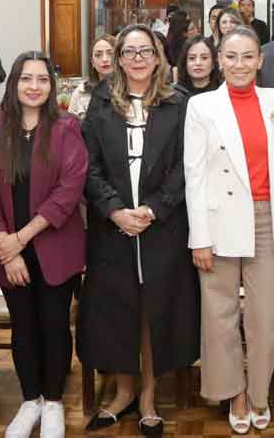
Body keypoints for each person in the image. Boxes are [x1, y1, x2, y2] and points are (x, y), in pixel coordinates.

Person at [80, 25, 197, 437]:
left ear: (158, 56)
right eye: (128, 52)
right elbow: (88, 167)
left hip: (160, 225)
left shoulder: (179, 103)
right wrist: (115, 211)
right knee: (117, 310)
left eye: (145, 51)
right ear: (117, 58)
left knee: (153, 310)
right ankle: (123, 392)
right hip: (113, 229)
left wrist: (152, 209)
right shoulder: (99, 104)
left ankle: (148, 394)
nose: (137, 59)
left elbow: (187, 165)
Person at [0, 51, 88, 438]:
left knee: (54, 324)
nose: (34, 87)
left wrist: (22, 239)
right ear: (13, 83)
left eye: (42, 80)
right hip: (7, 250)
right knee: (23, 325)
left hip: (54, 245)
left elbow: (69, 190)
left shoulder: (67, 126)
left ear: (52, 87)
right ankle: (29, 400)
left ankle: (53, 402)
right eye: (26, 79)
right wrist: (7, 243)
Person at [184, 26, 274, 434]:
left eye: (248, 56)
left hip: (265, 217)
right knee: (220, 315)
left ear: (260, 60)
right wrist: (200, 237)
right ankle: (235, 393)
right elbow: (193, 175)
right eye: (231, 56)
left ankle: (260, 391)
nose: (240, 64)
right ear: (218, 60)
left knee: (265, 315)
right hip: (218, 218)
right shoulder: (202, 106)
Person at [68, 35, 116, 119]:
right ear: (92, 62)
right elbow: (71, 127)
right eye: (98, 55)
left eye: (110, 53)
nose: (105, 59)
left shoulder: (130, 88)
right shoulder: (81, 91)